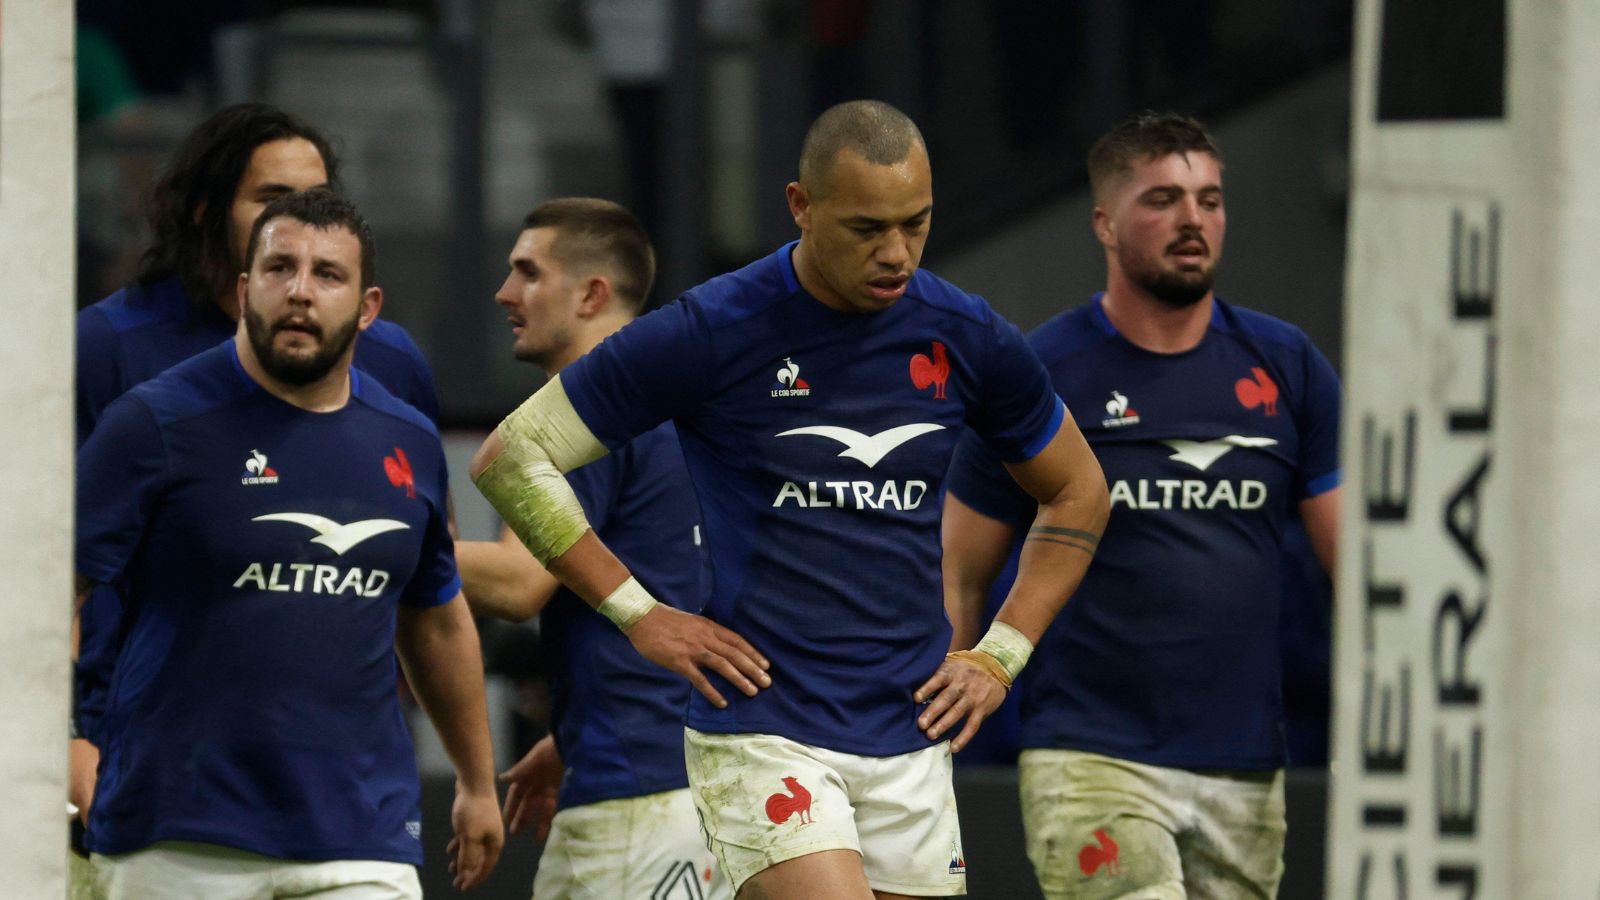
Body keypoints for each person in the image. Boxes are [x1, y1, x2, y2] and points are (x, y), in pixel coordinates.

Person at [468, 99, 1109, 900]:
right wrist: (641, 615)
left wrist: (1002, 654)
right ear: (800, 207)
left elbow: (1079, 492)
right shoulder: (716, 327)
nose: (897, 253)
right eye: (867, 227)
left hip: (910, 735)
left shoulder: (965, 334)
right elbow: (511, 458)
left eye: (917, 223)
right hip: (762, 730)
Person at [942, 111, 1341, 899]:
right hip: (1092, 756)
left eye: (1211, 199)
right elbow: (958, 571)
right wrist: (926, 742)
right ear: (1103, 221)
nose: (1193, 219)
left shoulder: (1288, 364)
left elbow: (1360, 572)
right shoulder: (1042, 370)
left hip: (1247, 765)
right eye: (1163, 198)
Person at [74, 189, 503, 897]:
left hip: (361, 837)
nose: (301, 291)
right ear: (246, 288)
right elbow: (54, 590)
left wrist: (477, 783)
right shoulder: (152, 424)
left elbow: (435, 616)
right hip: (180, 831)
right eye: (280, 268)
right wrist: (61, 734)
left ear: (367, 308)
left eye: (327, 274)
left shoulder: (408, 439)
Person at [454, 197, 726, 898]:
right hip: (654, 781)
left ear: (591, 294)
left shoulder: (596, 403)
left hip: (641, 801)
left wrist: (371, 548)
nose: (504, 293)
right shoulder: (665, 401)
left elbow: (519, 584)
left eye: (527, 273)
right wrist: (573, 735)